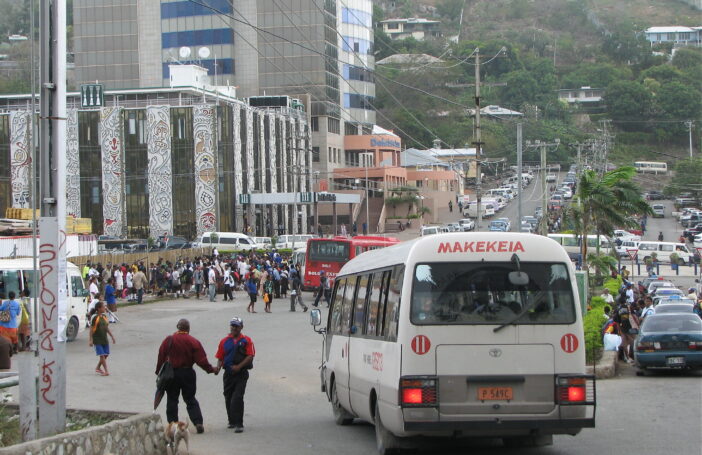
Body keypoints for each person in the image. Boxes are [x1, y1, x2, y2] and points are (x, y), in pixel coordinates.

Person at [156, 319, 217, 434]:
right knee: (190, 399)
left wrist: (158, 371)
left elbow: (161, 355)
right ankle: (198, 422)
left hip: (171, 374)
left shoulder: (168, 340)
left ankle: (173, 425)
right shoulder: (193, 341)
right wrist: (210, 369)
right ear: (188, 329)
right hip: (187, 373)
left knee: (172, 399)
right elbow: (201, 360)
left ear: (177, 327)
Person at [214, 317, 255, 433]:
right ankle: (231, 421)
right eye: (232, 325)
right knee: (228, 396)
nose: (234, 328)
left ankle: (239, 423)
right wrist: (217, 368)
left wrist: (239, 366)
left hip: (241, 374)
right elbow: (220, 357)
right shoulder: (224, 341)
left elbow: (250, 356)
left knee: (237, 397)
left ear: (241, 327)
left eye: (236, 326)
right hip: (228, 374)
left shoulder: (247, 340)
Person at [88, 301, 116, 376]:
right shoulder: (95, 317)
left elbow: (106, 328)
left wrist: (112, 336)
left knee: (106, 354)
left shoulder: (104, 317)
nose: (105, 308)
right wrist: (90, 340)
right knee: (102, 355)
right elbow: (91, 329)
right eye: (103, 307)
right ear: (99, 308)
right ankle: (106, 371)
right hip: (97, 339)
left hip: (104, 338)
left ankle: (98, 367)